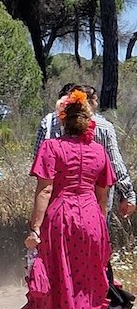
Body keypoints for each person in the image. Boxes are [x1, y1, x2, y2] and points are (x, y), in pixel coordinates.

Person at [17, 89, 133, 309]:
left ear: (62, 121)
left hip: (61, 218)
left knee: (59, 283)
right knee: (84, 283)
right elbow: (103, 193)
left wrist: (35, 227)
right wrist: (101, 224)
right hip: (91, 218)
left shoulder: (52, 148)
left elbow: (44, 190)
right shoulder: (98, 151)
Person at [33, 84, 135, 218]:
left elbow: (39, 162)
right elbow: (116, 164)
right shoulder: (105, 127)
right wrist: (128, 194)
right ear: (89, 102)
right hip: (95, 205)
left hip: (56, 205)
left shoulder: (49, 122)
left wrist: (35, 225)